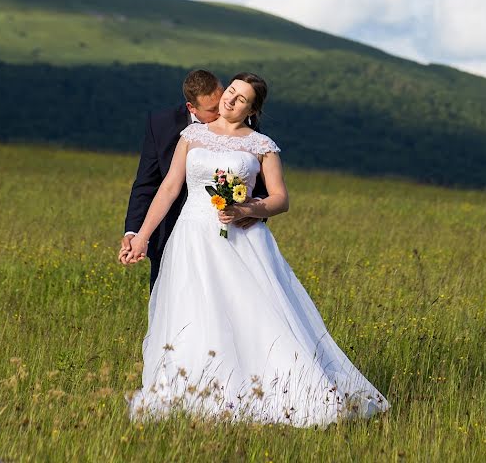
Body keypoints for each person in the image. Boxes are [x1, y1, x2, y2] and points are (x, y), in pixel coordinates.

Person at [119, 72, 389, 427]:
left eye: (241, 98)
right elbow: (168, 189)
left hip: (241, 241)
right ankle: (195, 392)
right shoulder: (192, 135)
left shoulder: (262, 145)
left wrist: (247, 209)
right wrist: (140, 237)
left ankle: (271, 390)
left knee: (253, 314)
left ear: (252, 109)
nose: (231, 100)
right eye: (230, 91)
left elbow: (280, 199)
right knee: (194, 315)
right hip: (192, 239)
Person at [121, 69, 260, 291]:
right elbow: (148, 183)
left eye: (222, 99)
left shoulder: (244, 125)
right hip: (171, 230)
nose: (222, 111)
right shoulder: (161, 124)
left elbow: (255, 179)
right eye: (212, 110)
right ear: (191, 108)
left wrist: (253, 211)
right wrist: (135, 233)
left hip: (229, 234)